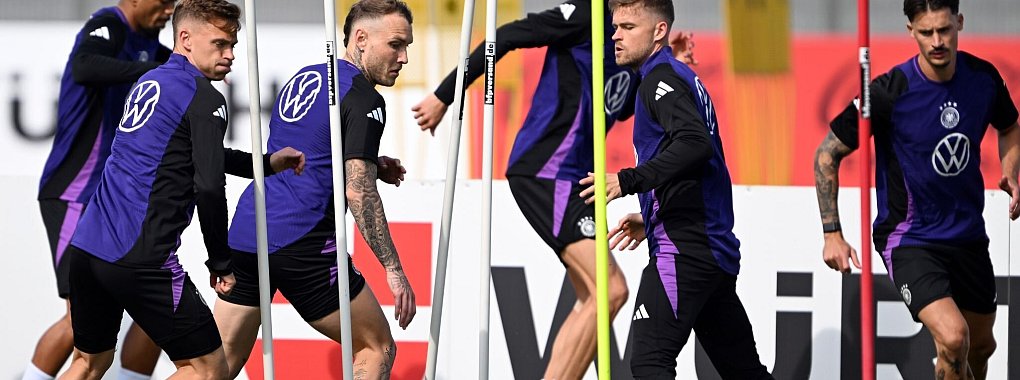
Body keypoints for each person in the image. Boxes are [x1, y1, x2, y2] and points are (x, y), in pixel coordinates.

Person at [410, 1, 674, 376]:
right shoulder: (586, 15)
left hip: (575, 179)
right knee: (611, 290)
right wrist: (445, 94)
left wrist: (670, 64)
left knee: (591, 299)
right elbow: (504, 37)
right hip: (547, 170)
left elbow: (621, 103)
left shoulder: (630, 46)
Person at [59, 0, 304, 378]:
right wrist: (220, 262)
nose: (231, 55)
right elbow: (208, 186)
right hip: (142, 259)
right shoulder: (205, 97)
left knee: (89, 363)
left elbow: (187, 154)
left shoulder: (150, 81)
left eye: (233, 45)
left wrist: (266, 163)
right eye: (220, 44)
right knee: (208, 369)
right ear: (185, 38)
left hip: (88, 249)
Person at [813, 0, 1018, 378]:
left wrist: (1011, 171)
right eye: (926, 32)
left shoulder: (983, 78)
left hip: (968, 235)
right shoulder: (888, 93)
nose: (937, 41)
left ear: (960, 22)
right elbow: (826, 154)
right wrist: (832, 233)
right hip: (911, 239)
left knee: (979, 346)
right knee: (954, 338)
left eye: (945, 30)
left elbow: (1010, 126)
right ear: (911, 30)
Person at [213, 0, 416, 378]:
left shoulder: (304, 77)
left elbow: (312, 145)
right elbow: (359, 194)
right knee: (376, 346)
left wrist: (371, 160)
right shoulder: (364, 99)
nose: (403, 57)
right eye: (395, 45)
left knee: (218, 362)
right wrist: (394, 269)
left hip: (247, 231)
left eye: (407, 47)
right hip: (302, 243)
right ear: (360, 39)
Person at [581, 0, 773, 378]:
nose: (616, 35)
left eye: (628, 27)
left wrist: (628, 180)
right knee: (744, 372)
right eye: (615, 26)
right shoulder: (673, 76)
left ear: (659, 31)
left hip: (684, 249)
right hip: (708, 250)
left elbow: (694, 144)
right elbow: (692, 157)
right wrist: (652, 211)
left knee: (650, 362)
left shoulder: (660, 79)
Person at [30, 1, 178, 379]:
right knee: (79, 316)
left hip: (115, 202)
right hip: (76, 192)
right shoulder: (107, 25)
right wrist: (153, 72)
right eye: (161, 2)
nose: (168, 10)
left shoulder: (152, 47)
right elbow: (85, 66)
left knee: (156, 303)